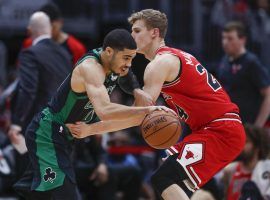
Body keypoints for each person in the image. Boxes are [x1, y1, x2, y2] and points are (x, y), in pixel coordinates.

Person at [66, 9, 246, 200]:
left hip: (220, 130)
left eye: (137, 31)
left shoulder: (158, 65)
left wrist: (91, 129)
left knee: (164, 179)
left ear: (154, 33)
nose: (131, 35)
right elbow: (138, 114)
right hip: (216, 129)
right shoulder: (176, 56)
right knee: (178, 185)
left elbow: (137, 117)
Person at [14, 28, 172, 200]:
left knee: (38, 194)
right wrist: (147, 110)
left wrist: (136, 91)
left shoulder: (116, 65)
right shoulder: (90, 69)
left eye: (132, 59)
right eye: (126, 58)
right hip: (47, 133)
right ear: (109, 51)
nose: (129, 64)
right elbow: (105, 111)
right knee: (65, 193)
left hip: (66, 137)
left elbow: (127, 78)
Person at [8, 11, 72, 181]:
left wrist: (16, 124)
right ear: (50, 29)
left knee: (29, 182)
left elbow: (28, 90)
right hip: (61, 127)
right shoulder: (65, 54)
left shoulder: (30, 53)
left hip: (35, 127)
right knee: (56, 183)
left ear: (29, 30)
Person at [216, 21, 270, 127]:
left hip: (247, 125)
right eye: (224, 38)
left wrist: (258, 125)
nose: (225, 42)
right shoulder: (224, 61)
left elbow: (268, 94)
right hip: (230, 123)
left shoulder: (251, 62)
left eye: (230, 38)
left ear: (242, 40)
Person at [22, 3, 86, 65]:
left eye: (52, 27)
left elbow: (81, 74)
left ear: (61, 22)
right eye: (44, 27)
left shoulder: (77, 48)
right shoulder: (30, 43)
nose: (48, 31)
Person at [222, 124, 269, 200]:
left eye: (246, 142)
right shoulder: (229, 170)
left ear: (257, 146)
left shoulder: (266, 170)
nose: (241, 145)